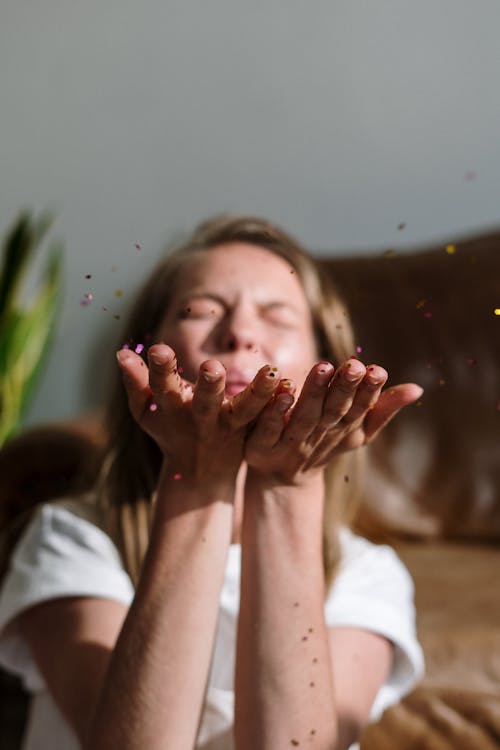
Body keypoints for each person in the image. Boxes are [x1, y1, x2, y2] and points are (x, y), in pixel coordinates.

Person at [0, 215, 424, 750]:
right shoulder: (71, 540)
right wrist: (197, 478)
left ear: (327, 363)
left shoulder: (366, 576)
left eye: (277, 316)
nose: (240, 333)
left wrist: (289, 487)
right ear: (149, 353)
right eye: (200, 310)